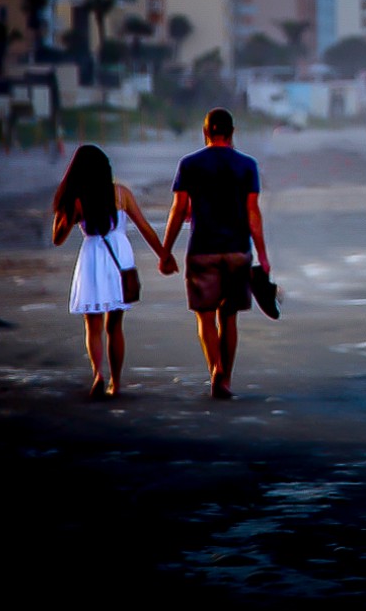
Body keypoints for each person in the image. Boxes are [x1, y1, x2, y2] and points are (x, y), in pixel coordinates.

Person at [163, 107, 270, 399]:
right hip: (237, 251)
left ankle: (215, 370)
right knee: (230, 316)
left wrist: (166, 250)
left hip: (202, 251)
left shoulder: (189, 164)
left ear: (205, 132)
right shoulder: (247, 165)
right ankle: (225, 378)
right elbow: (253, 213)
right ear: (232, 132)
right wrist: (262, 255)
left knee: (206, 317)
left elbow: (178, 211)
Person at [51, 144, 173, 399]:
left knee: (92, 324)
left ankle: (98, 374)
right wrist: (164, 254)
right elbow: (144, 227)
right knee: (115, 326)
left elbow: (57, 238)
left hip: (93, 257)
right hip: (118, 256)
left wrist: (63, 204)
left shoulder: (77, 200)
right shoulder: (121, 194)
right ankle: (115, 383)